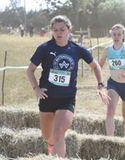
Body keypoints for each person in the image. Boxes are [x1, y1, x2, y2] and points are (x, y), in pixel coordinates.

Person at [26, 15, 109, 157]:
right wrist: (36, 89)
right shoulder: (44, 48)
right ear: (52, 31)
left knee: (58, 133)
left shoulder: (77, 49)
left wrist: (101, 85)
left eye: (62, 29)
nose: (59, 33)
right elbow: (30, 70)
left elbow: (96, 67)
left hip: (66, 99)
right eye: (55, 30)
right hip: (47, 97)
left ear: (69, 30)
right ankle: (52, 148)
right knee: (48, 137)